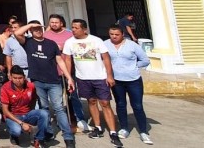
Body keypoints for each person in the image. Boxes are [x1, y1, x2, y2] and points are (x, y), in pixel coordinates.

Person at [14, 20, 77, 148]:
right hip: (37, 81)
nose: (38, 30)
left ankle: (68, 136)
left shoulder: (51, 43)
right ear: (31, 30)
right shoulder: (28, 42)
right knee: (44, 108)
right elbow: (17, 33)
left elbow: (60, 61)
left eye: (39, 28)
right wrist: (31, 25)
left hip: (53, 80)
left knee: (59, 108)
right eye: (35, 29)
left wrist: (69, 77)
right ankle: (48, 133)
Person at [64, 19, 122, 147]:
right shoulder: (69, 42)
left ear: (84, 29)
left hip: (100, 77)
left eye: (76, 28)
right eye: (72, 27)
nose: (73, 30)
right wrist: (69, 78)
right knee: (91, 101)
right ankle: (98, 127)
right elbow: (68, 60)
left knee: (105, 103)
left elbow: (106, 58)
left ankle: (113, 132)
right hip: (82, 78)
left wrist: (109, 75)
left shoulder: (96, 40)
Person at [104, 25, 153, 144]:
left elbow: (145, 60)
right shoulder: (105, 44)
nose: (114, 36)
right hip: (116, 80)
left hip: (133, 80)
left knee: (137, 106)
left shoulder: (132, 45)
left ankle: (143, 131)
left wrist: (134, 67)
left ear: (122, 34)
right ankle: (124, 128)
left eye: (117, 34)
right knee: (120, 104)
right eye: (111, 34)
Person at [44, 14, 87, 132]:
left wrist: (63, 48)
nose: (54, 24)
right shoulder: (45, 35)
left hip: (70, 71)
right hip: (53, 71)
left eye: (56, 22)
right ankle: (62, 120)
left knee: (73, 96)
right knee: (58, 98)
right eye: (52, 22)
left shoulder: (70, 34)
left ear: (61, 23)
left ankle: (79, 118)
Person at [1, 65, 50, 147]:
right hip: (12, 116)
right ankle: (14, 136)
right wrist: (21, 123)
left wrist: (31, 112)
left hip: (27, 113)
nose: (18, 80)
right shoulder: (5, 88)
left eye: (20, 78)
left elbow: (33, 99)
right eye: (15, 78)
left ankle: (39, 139)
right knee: (16, 131)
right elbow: (5, 111)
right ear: (11, 78)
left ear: (24, 77)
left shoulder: (31, 86)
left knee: (44, 114)